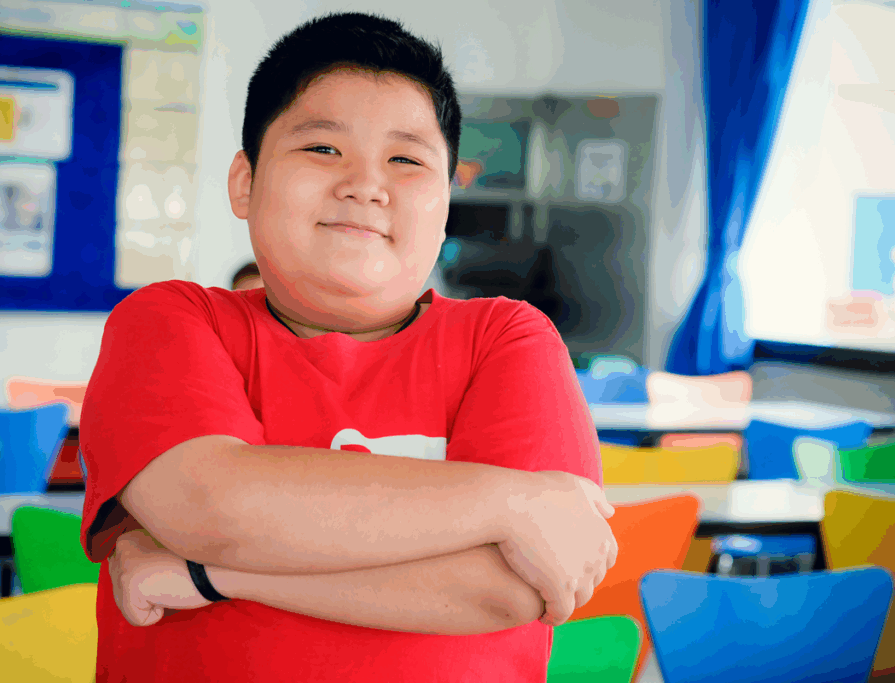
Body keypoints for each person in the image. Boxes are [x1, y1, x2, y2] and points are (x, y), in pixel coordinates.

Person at [79, 12, 616, 682]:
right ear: (244, 181)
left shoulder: (509, 338)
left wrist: (209, 573)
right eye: (323, 149)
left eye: (406, 159)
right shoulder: (170, 320)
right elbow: (213, 505)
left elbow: (511, 588)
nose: (366, 183)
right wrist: (513, 502)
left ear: (445, 201)